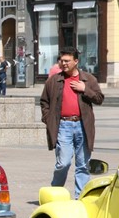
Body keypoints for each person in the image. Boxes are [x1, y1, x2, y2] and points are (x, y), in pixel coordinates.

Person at [40, 46, 104, 198]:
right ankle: (55, 193)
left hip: (83, 126)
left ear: (76, 61)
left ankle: (80, 198)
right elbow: (44, 102)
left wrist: (85, 89)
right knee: (63, 163)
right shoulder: (54, 80)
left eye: (67, 60)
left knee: (82, 165)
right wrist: (49, 120)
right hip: (63, 125)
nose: (63, 63)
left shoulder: (88, 79)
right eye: (61, 60)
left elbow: (99, 99)